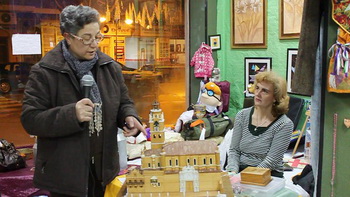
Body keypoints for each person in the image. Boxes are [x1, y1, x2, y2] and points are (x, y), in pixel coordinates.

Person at [21, 5, 146, 197]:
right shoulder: (45, 72)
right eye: (86, 38)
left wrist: (128, 115)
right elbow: (30, 119)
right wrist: (72, 114)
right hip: (65, 175)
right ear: (68, 37)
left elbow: (123, 101)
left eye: (97, 37)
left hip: (102, 170)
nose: (94, 44)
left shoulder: (109, 67)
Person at [226, 71, 293, 178]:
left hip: (269, 174)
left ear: (275, 97)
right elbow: (234, 150)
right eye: (257, 88)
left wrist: (246, 177)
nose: (258, 93)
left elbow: (271, 161)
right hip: (240, 172)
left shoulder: (284, 124)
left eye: (265, 91)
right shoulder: (242, 115)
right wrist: (232, 172)